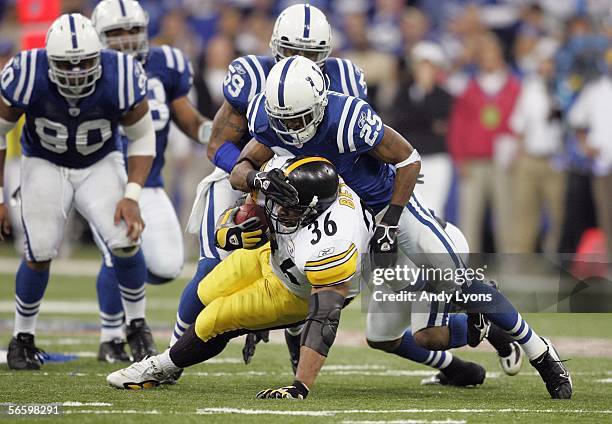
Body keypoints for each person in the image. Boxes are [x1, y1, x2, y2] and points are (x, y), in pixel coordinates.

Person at [230, 56, 571, 399]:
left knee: (454, 276)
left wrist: (390, 222)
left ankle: (540, 350)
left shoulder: (347, 117)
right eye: (283, 120)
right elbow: (241, 166)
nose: (291, 129)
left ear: (319, 103)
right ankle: (474, 325)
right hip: (343, 222)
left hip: (388, 206)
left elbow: (408, 159)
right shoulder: (267, 118)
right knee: (382, 335)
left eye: (299, 118)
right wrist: (256, 177)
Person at [175, 3, 367, 372]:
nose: (302, 59)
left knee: (305, 270)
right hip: (245, 179)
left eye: (312, 53)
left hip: (306, 190)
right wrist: (255, 178)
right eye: (294, 50)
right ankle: (174, 352)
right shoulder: (251, 75)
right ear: (276, 46)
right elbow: (217, 146)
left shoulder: (342, 78)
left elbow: (355, 145)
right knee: (212, 267)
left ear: (326, 53)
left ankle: (297, 337)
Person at [106, 156, 371, 400]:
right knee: (207, 288)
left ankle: (160, 367)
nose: (277, 212)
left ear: (314, 210)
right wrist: (232, 234)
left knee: (216, 318)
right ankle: (180, 353)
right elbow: (239, 210)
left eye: (289, 210)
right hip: (271, 255)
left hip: (296, 291)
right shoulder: (289, 179)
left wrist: (299, 386)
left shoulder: (333, 240)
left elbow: (323, 318)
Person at [0, 13, 156, 369]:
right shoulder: (25, 72)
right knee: (39, 248)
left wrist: (131, 195)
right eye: (66, 64)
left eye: (85, 61)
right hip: (44, 161)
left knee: (125, 239)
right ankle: (22, 337)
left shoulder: (122, 75)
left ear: (98, 55)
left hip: (99, 161)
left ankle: (136, 327)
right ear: (49, 60)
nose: (76, 71)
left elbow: (142, 136)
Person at [90, 0, 210, 363]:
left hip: (150, 179)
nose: (126, 39)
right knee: (121, 249)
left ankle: (119, 269)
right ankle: (112, 336)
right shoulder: (88, 67)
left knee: (167, 266)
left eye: (132, 31)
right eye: (115, 32)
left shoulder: (165, 63)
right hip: (101, 176)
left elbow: (187, 119)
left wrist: (218, 133)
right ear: (97, 37)